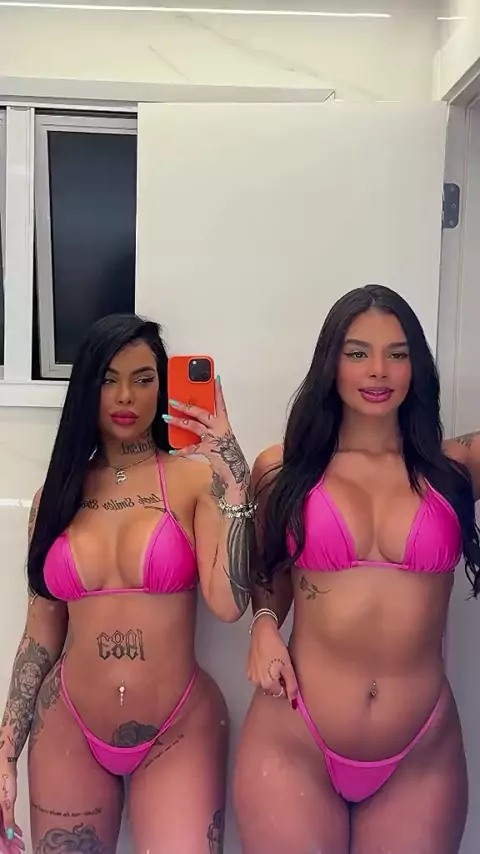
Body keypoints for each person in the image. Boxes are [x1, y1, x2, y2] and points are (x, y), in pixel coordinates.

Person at [234, 285, 480, 854]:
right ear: (331, 362)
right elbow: (267, 569)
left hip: (421, 750)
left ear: (417, 366)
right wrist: (264, 624)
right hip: (295, 735)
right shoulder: (282, 468)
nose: (378, 371)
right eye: (358, 352)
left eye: (398, 353)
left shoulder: (455, 468)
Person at [0, 314, 253, 854]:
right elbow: (40, 636)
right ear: (86, 388)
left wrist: (234, 478)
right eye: (108, 379)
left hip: (179, 726)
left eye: (143, 379)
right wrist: (5, 752)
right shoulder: (55, 497)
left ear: (162, 385)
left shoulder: (194, 478)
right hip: (67, 725)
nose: (125, 396)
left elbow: (230, 604)